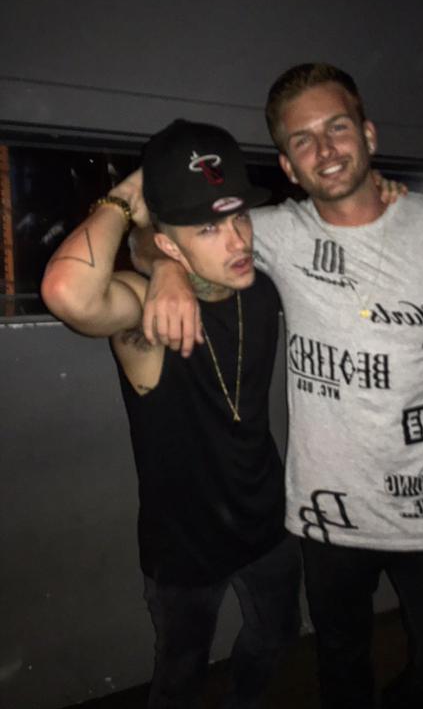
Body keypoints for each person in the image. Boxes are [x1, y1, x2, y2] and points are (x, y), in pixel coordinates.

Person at [132, 63, 423, 709]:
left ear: (368, 133)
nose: (325, 149)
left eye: (337, 128)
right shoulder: (271, 232)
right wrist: (164, 266)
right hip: (328, 515)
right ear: (288, 166)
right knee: (341, 666)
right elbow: (164, 235)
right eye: (304, 140)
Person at [41, 120, 303, 709]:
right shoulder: (147, 314)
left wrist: (168, 262)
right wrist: (125, 197)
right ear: (169, 243)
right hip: (185, 550)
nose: (237, 241)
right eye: (208, 228)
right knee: (180, 680)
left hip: (268, 524)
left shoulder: (262, 288)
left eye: (239, 218)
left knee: (277, 636)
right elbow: (67, 293)